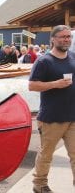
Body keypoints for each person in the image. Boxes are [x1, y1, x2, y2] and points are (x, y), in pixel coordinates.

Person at [28, 25, 75, 193]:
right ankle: (39, 185)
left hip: (72, 116)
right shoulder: (44, 61)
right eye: (62, 37)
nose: (66, 39)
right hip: (51, 118)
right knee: (46, 155)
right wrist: (55, 84)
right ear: (53, 39)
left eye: (68, 36)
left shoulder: (73, 57)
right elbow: (32, 86)